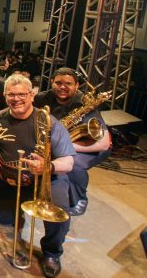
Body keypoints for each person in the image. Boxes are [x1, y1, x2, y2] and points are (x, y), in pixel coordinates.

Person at [0, 74, 75, 278]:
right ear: (5, 95)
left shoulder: (49, 122)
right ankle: (15, 235)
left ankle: (52, 253)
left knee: (59, 214)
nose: (16, 99)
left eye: (21, 94)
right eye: (11, 94)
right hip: (9, 178)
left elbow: (68, 162)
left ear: (32, 95)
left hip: (46, 178)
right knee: (3, 219)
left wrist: (48, 166)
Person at [34, 67, 110, 216]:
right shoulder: (42, 98)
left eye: (68, 83)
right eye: (58, 83)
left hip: (87, 146)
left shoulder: (85, 103)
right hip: (59, 142)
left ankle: (79, 199)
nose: (63, 87)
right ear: (51, 82)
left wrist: (67, 147)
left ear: (76, 86)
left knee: (73, 166)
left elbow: (104, 143)